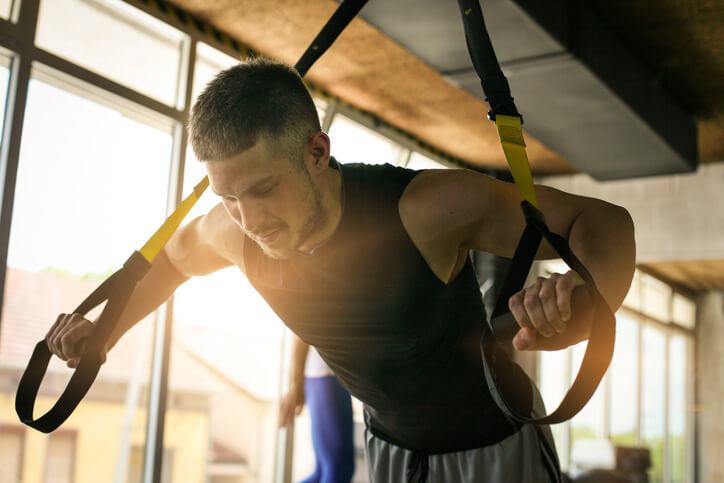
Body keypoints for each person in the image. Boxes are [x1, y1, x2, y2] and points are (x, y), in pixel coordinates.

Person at [45, 57, 636, 482]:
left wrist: (581, 312)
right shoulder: (234, 234)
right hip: (391, 451)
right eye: (229, 197)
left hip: (494, 446)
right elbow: (170, 263)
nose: (249, 218)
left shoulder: (423, 210)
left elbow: (606, 225)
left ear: (318, 152)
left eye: (265, 188)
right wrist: (105, 334)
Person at [279, 337, 355, 483]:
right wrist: (295, 383)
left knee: (327, 470)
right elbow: (298, 329)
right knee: (338, 469)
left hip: (334, 375)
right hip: (325, 373)